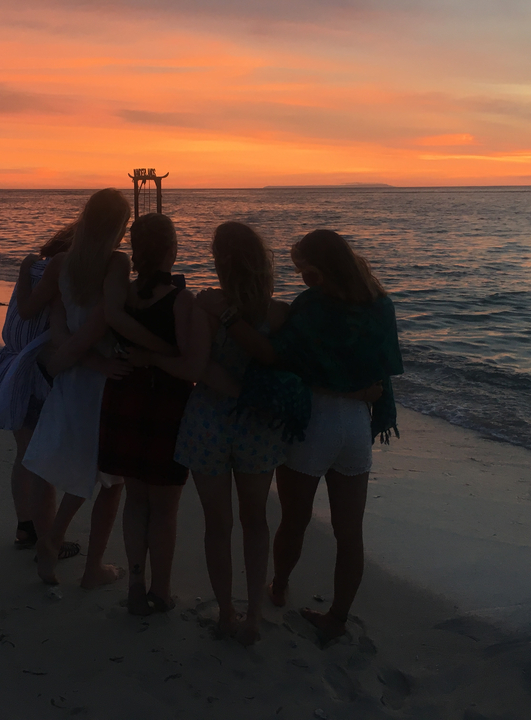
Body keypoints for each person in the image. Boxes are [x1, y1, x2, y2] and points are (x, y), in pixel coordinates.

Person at [199, 228, 403, 643]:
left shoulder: (311, 307)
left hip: (312, 423)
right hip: (356, 428)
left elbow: (276, 356)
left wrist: (229, 318)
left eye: (303, 270)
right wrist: (358, 392)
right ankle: (337, 617)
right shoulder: (381, 305)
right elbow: (382, 366)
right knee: (351, 532)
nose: (301, 278)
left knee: (294, 519)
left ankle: (277, 586)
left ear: (320, 269)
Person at [21, 189, 174, 587]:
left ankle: (51, 540)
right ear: (120, 227)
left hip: (70, 376)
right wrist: (163, 348)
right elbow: (107, 319)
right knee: (110, 477)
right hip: (105, 379)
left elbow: (41, 316)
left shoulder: (59, 264)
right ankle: (82, 560)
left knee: (56, 461)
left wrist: (65, 356)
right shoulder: (116, 264)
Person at [145, 221, 287, 645]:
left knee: (217, 524)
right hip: (258, 425)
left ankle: (226, 613)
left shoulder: (205, 306)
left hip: (209, 419)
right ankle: (254, 617)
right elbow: (283, 367)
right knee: (256, 521)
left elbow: (199, 366)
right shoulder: (278, 313)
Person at [93, 213, 195, 615]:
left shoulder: (123, 296)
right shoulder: (181, 300)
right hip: (165, 402)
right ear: (173, 250)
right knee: (164, 509)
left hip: (124, 397)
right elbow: (185, 358)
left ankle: (135, 584)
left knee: (136, 500)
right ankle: (161, 590)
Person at [0, 221, 79, 556]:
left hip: (11, 368)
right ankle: (48, 538)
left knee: (24, 454)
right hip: (33, 375)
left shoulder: (31, 270)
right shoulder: (59, 278)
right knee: (41, 457)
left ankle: (27, 527)